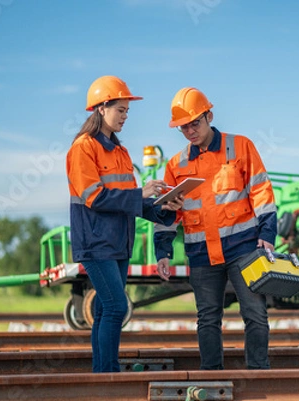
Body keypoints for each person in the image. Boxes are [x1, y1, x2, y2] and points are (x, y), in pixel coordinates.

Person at [154, 87, 277, 370]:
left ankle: (259, 373)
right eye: (183, 128)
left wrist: (267, 235)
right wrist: (163, 251)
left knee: (255, 314)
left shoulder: (241, 146)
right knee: (207, 318)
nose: (190, 132)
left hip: (244, 249)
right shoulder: (176, 165)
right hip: (201, 255)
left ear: (209, 115)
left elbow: (261, 191)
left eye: (194, 123)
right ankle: (211, 377)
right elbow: (168, 213)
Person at [66, 75, 183, 373]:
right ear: (102, 108)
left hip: (118, 243)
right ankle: (110, 374)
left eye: (127, 111)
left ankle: (101, 375)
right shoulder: (83, 148)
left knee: (106, 309)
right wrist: (139, 193)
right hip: (95, 243)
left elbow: (131, 201)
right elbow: (95, 197)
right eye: (121, 109)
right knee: (117, 307)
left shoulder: (119, 151)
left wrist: (163, 207)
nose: (125, 116)